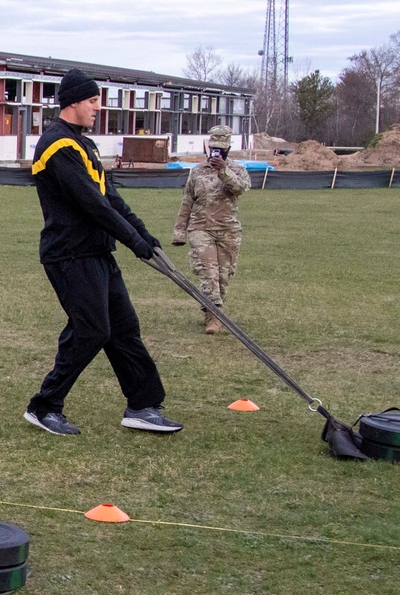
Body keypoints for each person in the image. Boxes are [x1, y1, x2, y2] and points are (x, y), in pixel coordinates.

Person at [23, 69, 183, 436]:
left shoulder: (85, 145)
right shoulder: (57, 146)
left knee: (124, 328)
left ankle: (142, 405)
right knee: (92, 329)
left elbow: (110, 197)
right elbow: (92, 205)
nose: (98, 107)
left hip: (96, 252)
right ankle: (44, 406)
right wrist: (133, 243)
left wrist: (143, 233)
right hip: (69, 254)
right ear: (74, 102)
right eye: (93, 101)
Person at [172, 125, 251, 334]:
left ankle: (213, 310)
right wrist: (179, 231)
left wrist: (223, 170)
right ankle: (213, 317)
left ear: (228, 149)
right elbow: (187, 201)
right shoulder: (196, 171)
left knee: (224, 276)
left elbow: (240, 188)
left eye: (221, 149)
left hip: (228, 230)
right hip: (201, 228)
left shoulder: (237, 170)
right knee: (209, 274)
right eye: (214, 148)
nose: (217, 152)